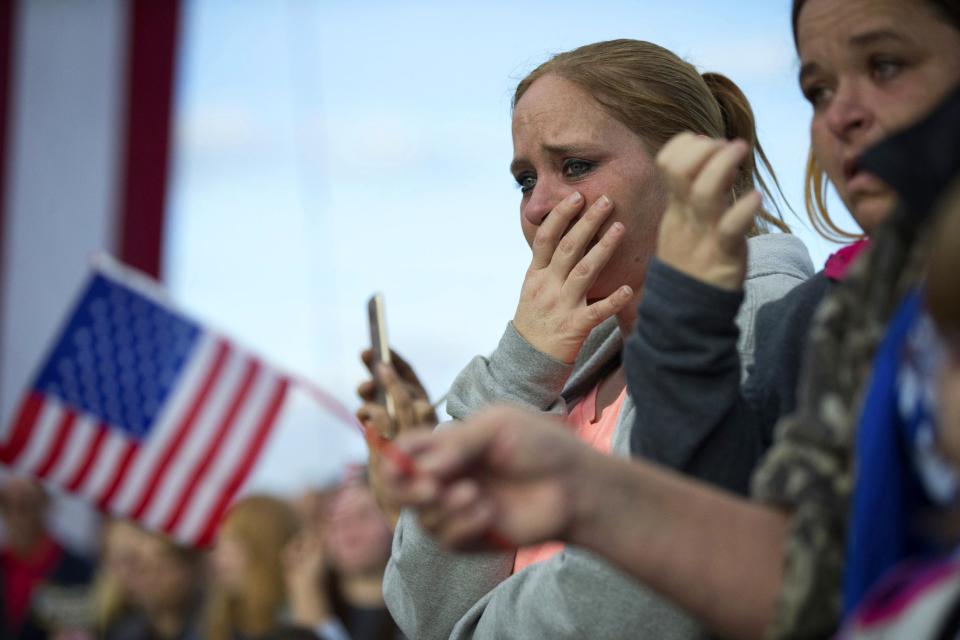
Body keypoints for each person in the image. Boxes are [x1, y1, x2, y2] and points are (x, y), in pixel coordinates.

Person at [380, 1, 960, 638]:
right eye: (524, 179)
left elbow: (659, 596)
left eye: (575, 165)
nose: (540, 206)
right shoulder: (556, 365)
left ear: (698, 166)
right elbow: (418, 609)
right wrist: (521, 368)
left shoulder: (766, 320)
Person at [284, 477, 404, 640]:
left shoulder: (421, 608)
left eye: (363, 514)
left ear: (395, 523)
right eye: (334, 519)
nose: (346, 525)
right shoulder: (295, 609)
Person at [0, 476, 93, 639]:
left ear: (45, 504)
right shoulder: (4, 564)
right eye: (6, 504)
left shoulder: (75, 568)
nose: (15, 515)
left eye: (26, 504)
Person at [205, 495, 303, 640]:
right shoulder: (222, 619)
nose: (217, 558)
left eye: (233, 542)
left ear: (266, 551)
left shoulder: (296, 621)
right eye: (220, 544)